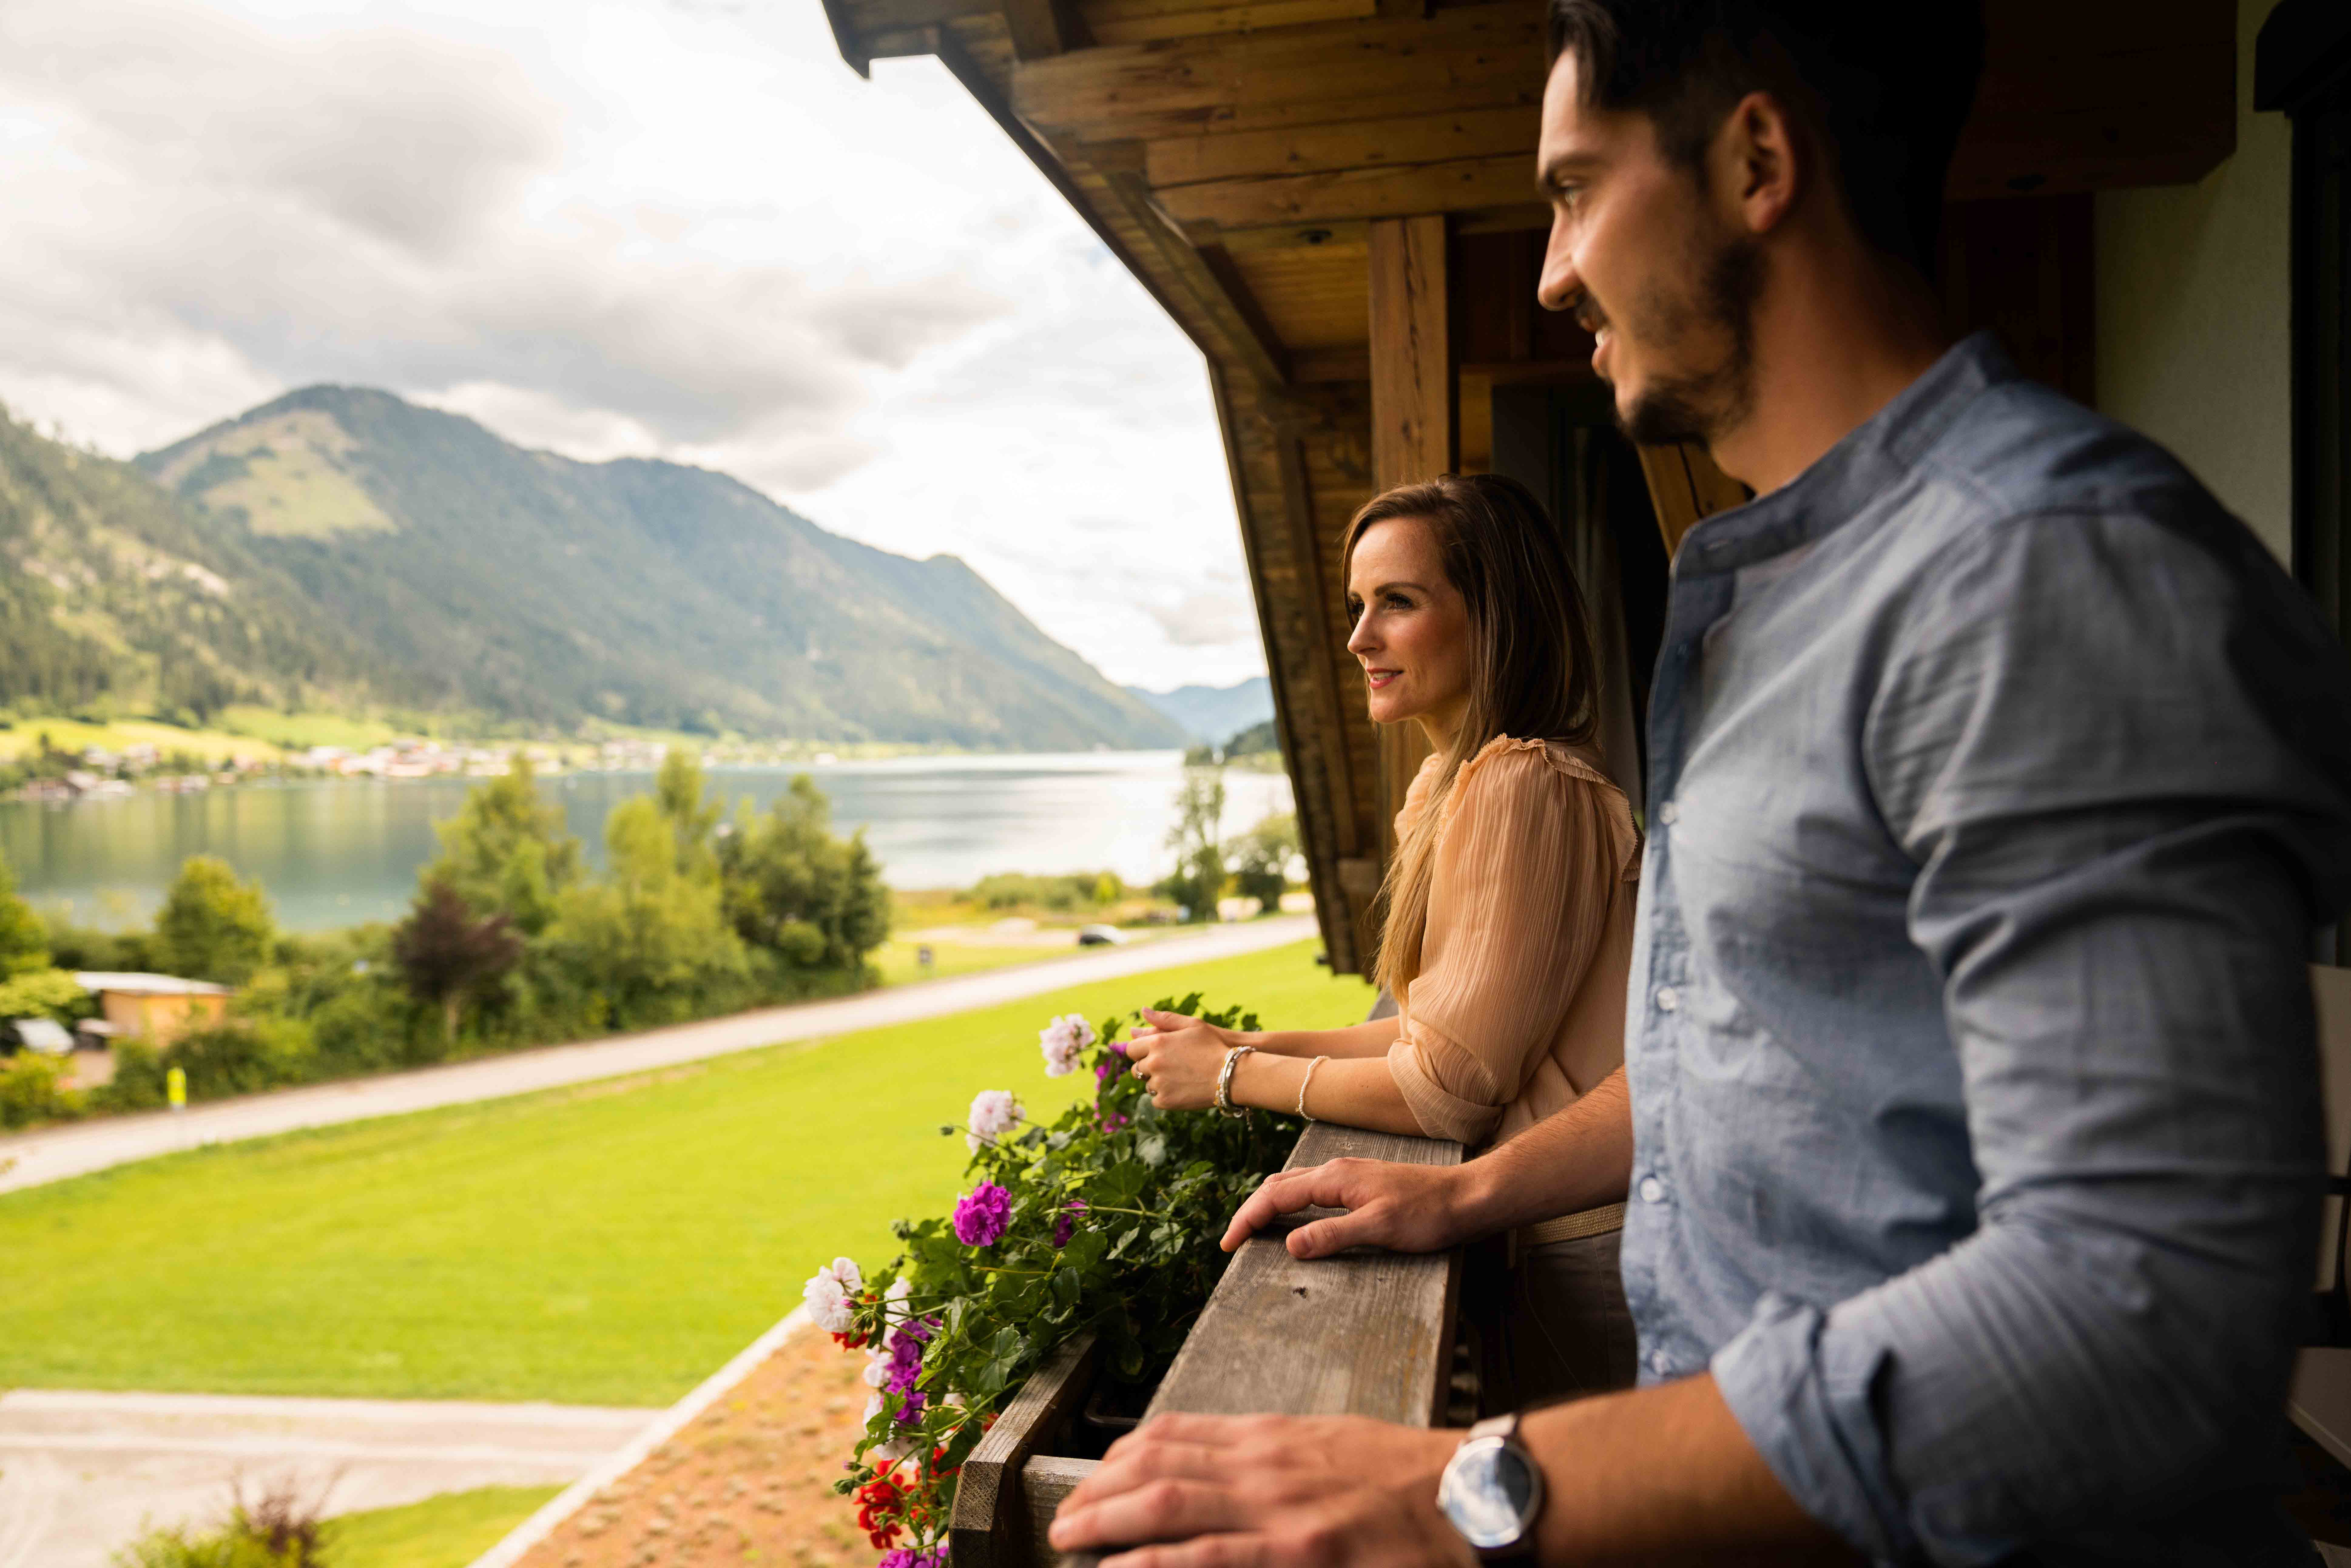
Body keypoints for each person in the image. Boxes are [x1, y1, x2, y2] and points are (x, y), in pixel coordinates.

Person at [1047, 1, 2351, 1563]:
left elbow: (2143, 1316)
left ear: (1756, 162)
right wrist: (1463, 1200)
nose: (1551, 270)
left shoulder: (2041, 577)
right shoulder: (1772, 600)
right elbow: (1730, 1062)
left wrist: (1459, 1489)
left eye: (1576, 190)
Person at [1124, 472, 1644, 1398]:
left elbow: (1446, 1091)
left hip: (1593, 1247)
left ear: (1494, 614)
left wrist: (1236, 1077)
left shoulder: (1523, 786)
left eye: (1397, 603)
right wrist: (1235, 1044)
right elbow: (1421, 1031)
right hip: (1543, 1233)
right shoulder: (1453, 786)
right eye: (1358, 605)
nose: (1359, 637)